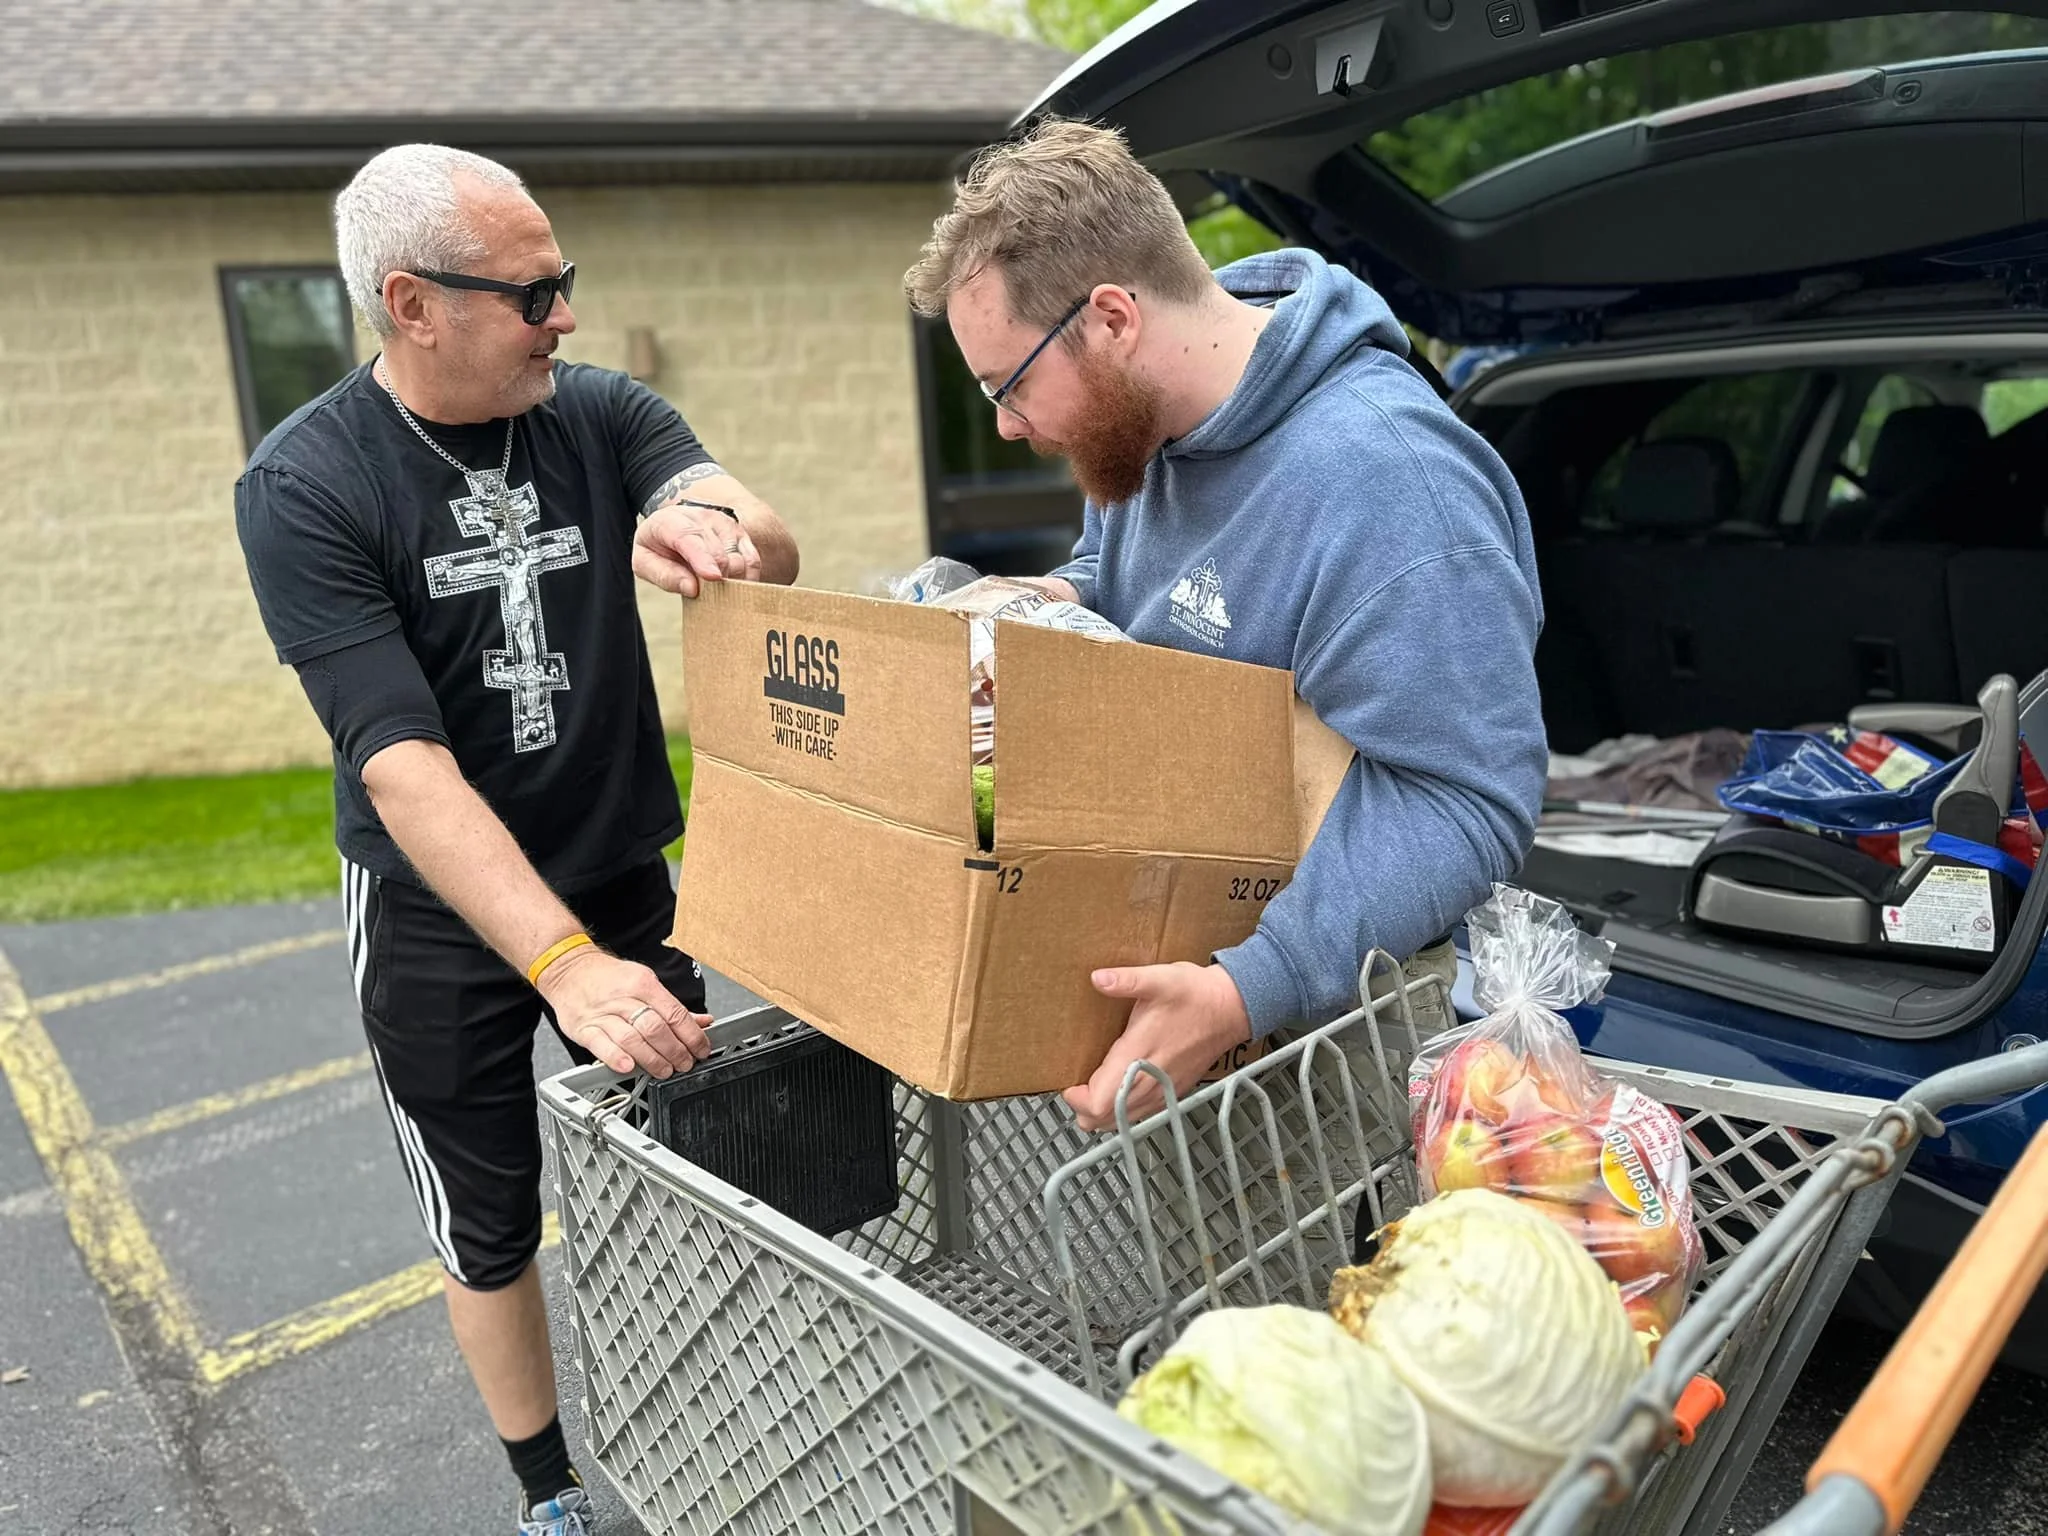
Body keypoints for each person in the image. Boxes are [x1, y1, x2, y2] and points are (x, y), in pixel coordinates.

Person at [234, 144, 798, 1536]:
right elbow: (401, 765)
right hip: (435, 915)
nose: (566, 315)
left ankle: (728, 1431)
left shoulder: (593, 412)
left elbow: (757, 524)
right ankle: (548, 1492)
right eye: (534, 292)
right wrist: (561, 962)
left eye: (565, 281)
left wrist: (709, 528)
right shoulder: (305, 484)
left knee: (698, 1158)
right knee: (484, 1222)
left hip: (618, 869)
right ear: (413, 304)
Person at [903, 118, 1547, 1132]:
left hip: (1331, 1057)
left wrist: (1248, 987)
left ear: (1112, 317)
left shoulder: (1391, 485)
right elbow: (1118, 581)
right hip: (1168, 1004)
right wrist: (1047, 605)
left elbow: (1466, 797)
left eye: (1008, 385)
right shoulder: (1140, 430)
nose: (1005, 426)